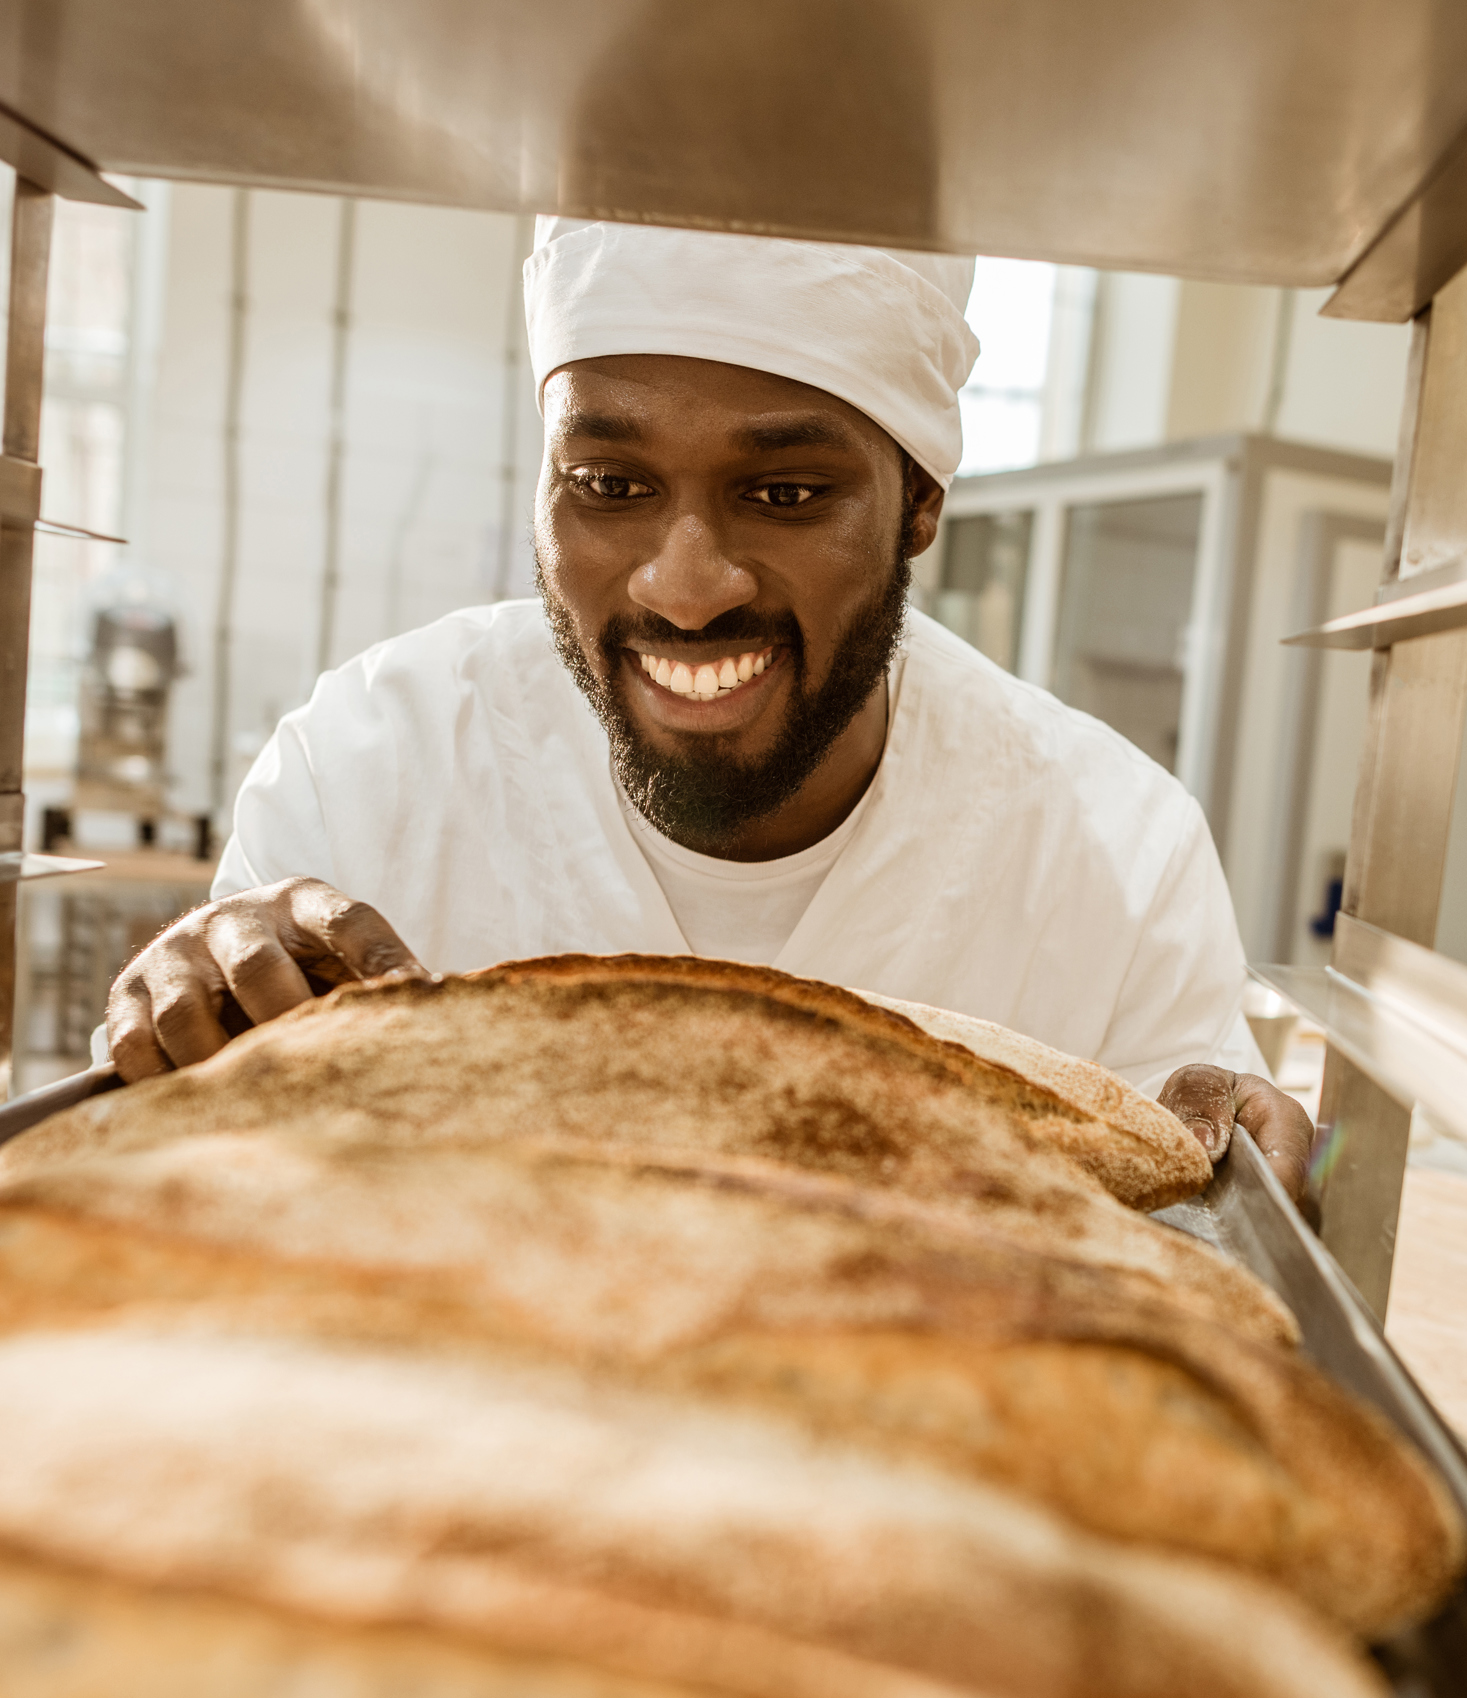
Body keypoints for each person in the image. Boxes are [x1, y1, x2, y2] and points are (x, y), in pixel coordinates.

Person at [103, 219, 1313, 1196]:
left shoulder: (1118, 865)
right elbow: (216, 1216)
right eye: (608, 484)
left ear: (919, 505)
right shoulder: (367, 774)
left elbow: (1196, 1219)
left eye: (784, 493)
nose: (683, 589)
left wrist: (1247, 1179)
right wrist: (194, 1019)